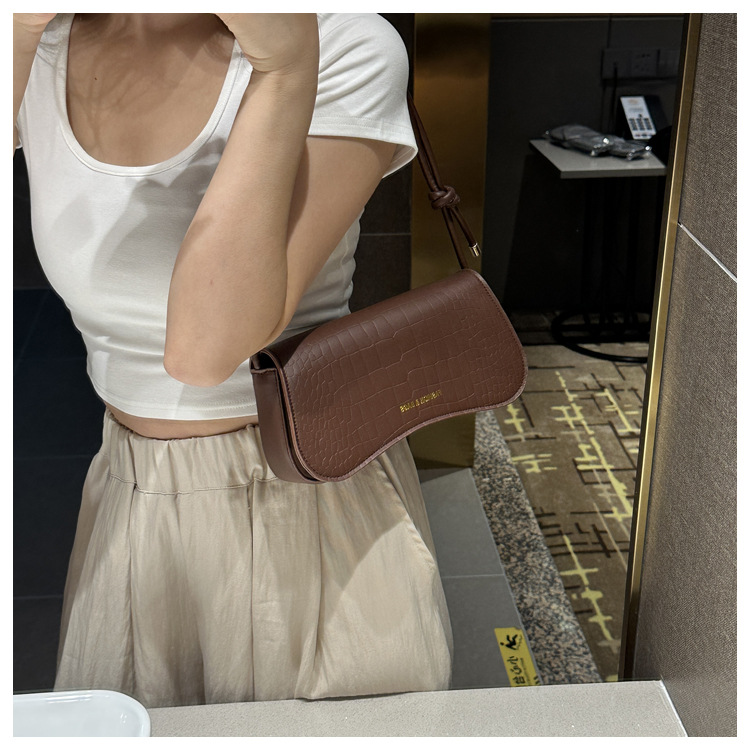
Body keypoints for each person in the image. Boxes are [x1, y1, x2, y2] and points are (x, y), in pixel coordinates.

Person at [13, 12, 454, 709]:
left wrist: (285, 73)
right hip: (130, 489)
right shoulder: (44, 40)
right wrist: (18, 35)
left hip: (298, 498)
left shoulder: (341, 42)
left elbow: (206, 350)